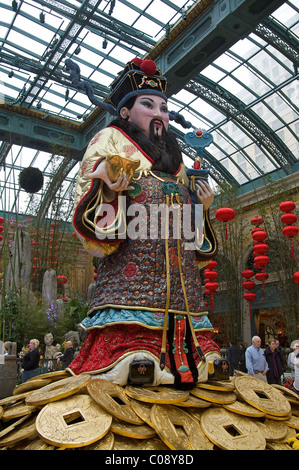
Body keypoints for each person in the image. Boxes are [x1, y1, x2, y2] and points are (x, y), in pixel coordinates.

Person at [66, 57, 220, 389]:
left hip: (179, 273)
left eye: (164, 108)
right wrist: (107, 188)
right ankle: (132, 352)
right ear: (125, 112)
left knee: (196, 344)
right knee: (134, 347)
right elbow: (89, 195)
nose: (160, 114)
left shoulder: (175, 157)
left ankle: (196, 354)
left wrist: (202, 206)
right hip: (132, 267)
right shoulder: (109, 139)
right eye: (148, 105)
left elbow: (193, 229)